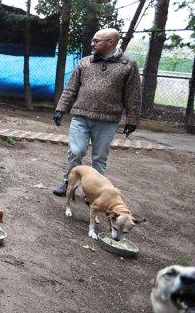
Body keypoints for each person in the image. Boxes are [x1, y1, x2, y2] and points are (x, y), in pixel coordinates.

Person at [52, 28, 141, 196]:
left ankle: (94, 191)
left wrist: (132, 119)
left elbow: (133, 95)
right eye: (93, 40)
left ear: (111, 42)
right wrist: (60, 110)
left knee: (99, 157)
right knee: (75, 151)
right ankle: (68, 184)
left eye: (96, 41)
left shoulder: (128, 65)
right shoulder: (85, 62)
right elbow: (71, 88)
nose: (92, 43)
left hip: (108, 120)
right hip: (81, 116)